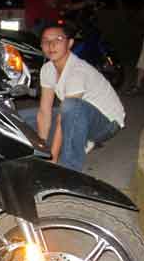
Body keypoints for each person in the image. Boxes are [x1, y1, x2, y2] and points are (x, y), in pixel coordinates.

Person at [23, 23, 125, 172]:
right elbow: (44, 111)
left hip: (107, 123)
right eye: (46, 41)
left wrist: (51, 159)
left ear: (70, 43)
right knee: (18, 119)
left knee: (70, 106)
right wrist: (42, 149)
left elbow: (62, 119)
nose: (51, 45)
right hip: (79, 115)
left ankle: (69, 169)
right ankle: (79, 139)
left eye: (58, 39)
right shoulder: (47, 69)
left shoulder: (77, 70)